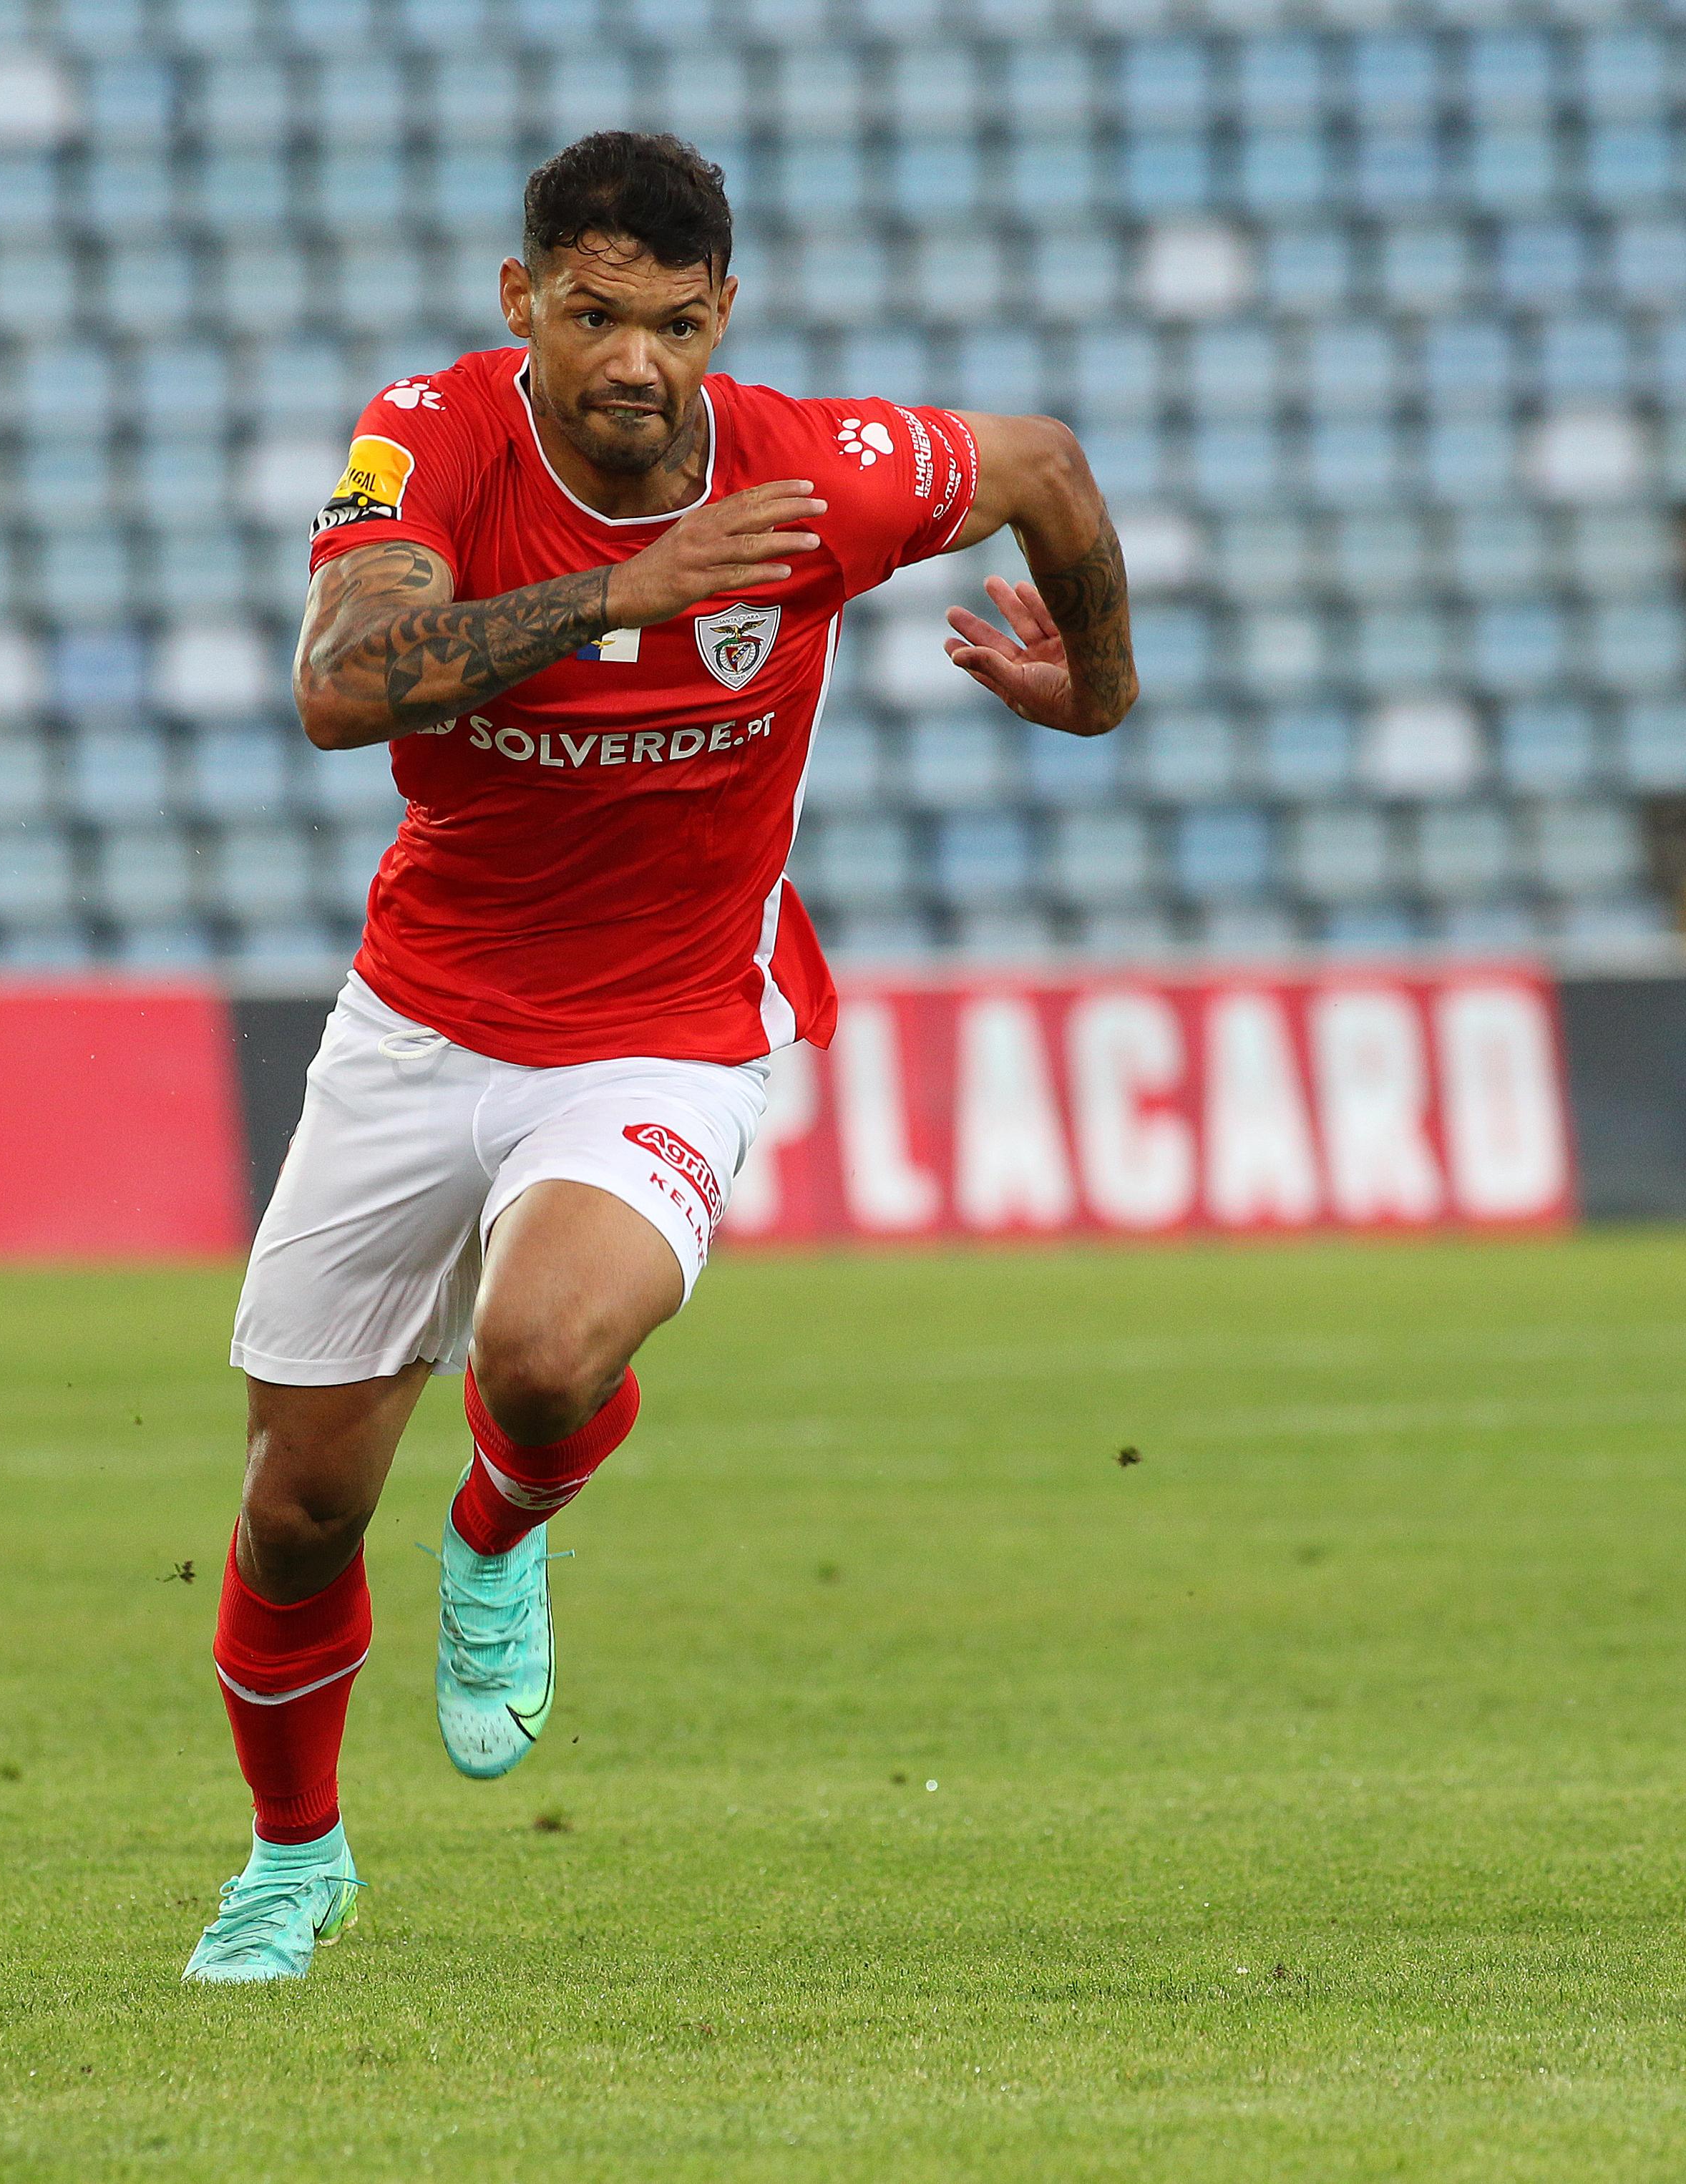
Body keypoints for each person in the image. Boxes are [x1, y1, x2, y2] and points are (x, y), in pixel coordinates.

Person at [184, 132, 1140, 1981]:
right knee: (297, 1503)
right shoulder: (434, 434)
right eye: (593, 313)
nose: (633, 359)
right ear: (520, 301)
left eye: (674, 323)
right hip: (422, 1016)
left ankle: (495, 1532)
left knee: (540, 1356)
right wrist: (625, 592)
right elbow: (336, 678)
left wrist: (1095, 689)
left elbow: (1046, 466)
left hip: (666, 1022)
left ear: (726, 319)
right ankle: (292, 1860)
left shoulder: (818, 471)